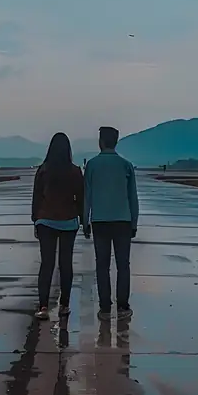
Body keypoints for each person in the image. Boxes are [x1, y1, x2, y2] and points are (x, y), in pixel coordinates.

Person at [83, 126, 139, 322]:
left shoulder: (91, 165)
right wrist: (134, 222)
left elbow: (87, 197)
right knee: (123, 265)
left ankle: (105, 307)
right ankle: (123, 306)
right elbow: (133, 197)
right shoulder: (126, 165)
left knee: (102, 265)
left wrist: (85, 220)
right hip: (123, 221)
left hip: (100, 222)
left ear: (101, 141)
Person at [31, 132, 84, 321]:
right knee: (65, 263)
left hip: (46, 220)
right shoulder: (75, 171)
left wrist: (35, 219)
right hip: (69, 222)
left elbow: (36, 197)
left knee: (47, 264)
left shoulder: (43, 170)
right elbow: (81, 198)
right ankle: (64, 305)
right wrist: (83, 219)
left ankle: (43, 306)